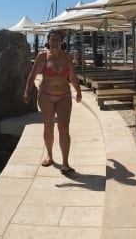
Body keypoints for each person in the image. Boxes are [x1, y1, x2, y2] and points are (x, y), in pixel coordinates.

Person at [23, 32, 81, 174]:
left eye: (57, 39)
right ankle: (49, 155)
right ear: (48, 41)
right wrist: (27, 91)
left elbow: (72, 76)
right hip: (46, 96)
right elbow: (32, 75)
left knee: (64, 128)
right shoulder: (42, 56)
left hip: (64, 96)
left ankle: (65, 163)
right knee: (48, 126)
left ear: (61, 42)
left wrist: (78, 91)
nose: (54, 41)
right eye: (52, 39)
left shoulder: (67, 57)